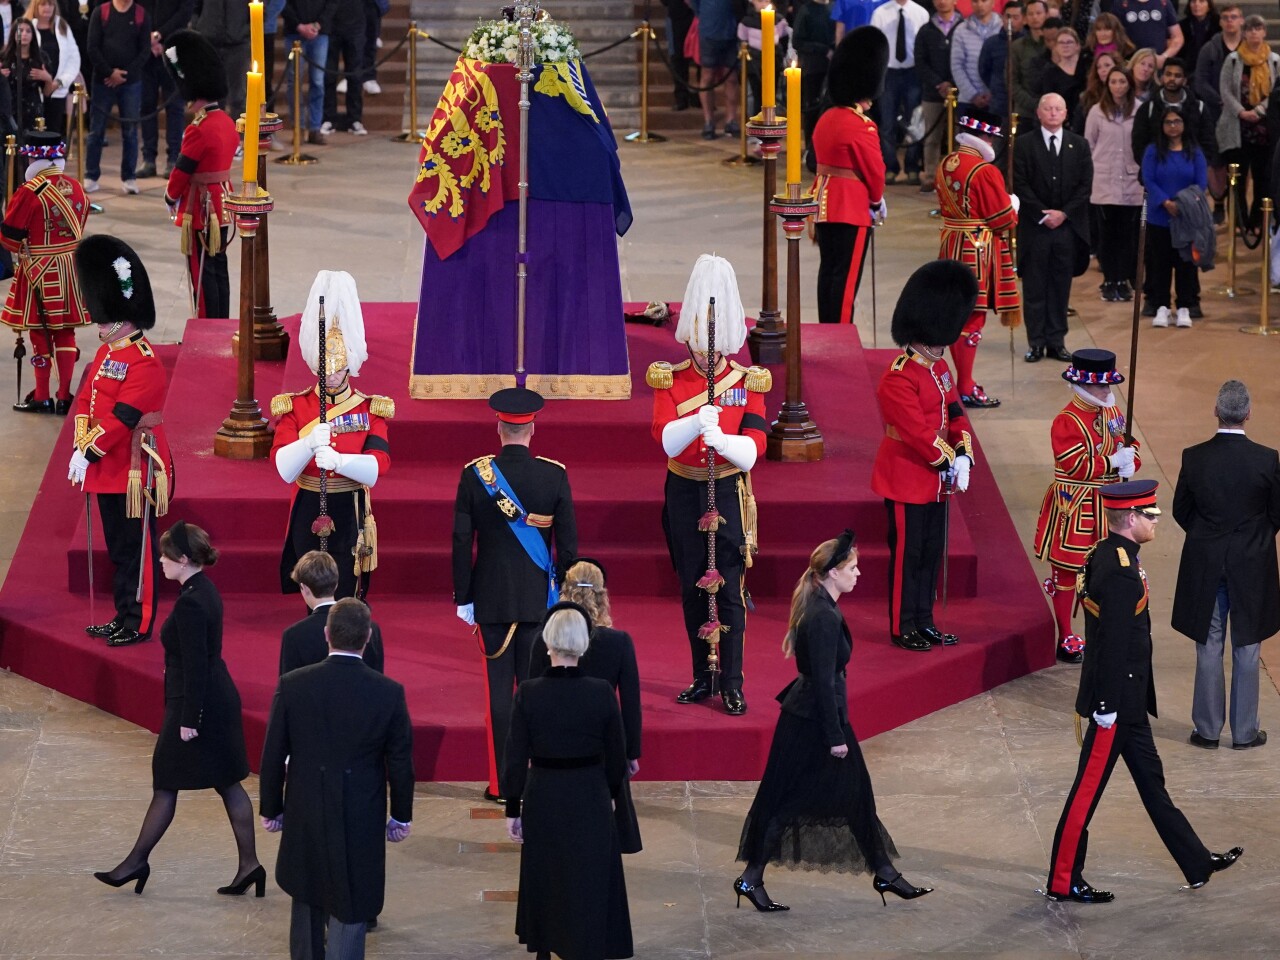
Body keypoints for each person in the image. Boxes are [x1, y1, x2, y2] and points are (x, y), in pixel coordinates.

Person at [1044, 479, 1243, 904]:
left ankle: (1195, 861)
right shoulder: (1119, 571)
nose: (1156, 522)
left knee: (1153, 785)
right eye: (1149, 516)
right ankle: (1063, 880)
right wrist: (1106, 708)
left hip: (1128, 702)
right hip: (1114, 705)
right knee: (1086, 793)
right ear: (1130, 519)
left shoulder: (1110, 553)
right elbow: (1113, 643)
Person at [736, 532, 931, 910]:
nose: (858, 574)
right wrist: (835, 735)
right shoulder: (823, 616)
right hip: (815, 721)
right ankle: (751, 878)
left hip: (815, 716)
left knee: (852, 796)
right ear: (832, 574)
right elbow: (824, 682)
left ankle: (884, 872)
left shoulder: (822, 605)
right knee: (789, 802)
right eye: (852, 568)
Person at [94, 521, 264, 900]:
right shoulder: (203, 589)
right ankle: (249, 866)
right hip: (214, 698)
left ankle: (137, 861)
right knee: (226, 781)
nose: (160, 561)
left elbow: (197, 666)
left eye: (165, 556)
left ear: (183, 559)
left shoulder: (190, 603)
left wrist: (190, 720)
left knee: (167, 780)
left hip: (196, 703)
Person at [260, 597, 414, 960]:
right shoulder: (388, 693)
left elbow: (272, 753)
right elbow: (401, 761)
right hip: (361, 809)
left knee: (306, 888)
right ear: (368, 639)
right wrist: (401, 815)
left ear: (326, 635)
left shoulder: (293, 684)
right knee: (352, 896)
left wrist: (272, 807)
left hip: (306, 805)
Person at [648, 254, 769, 712]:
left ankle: (733, 680)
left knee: (731, 589)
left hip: (730, 492)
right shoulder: (671, 379)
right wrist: (698, 422)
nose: (707, 354)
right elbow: (664, 438)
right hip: (685, 489)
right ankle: (703, 675)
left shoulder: (747, 381)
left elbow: (755, 448)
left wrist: (726, 439)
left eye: (712, 345)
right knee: (692, 587)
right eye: (700, 345)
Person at [453, 386, 577, 802]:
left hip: (489, 598)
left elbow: (460, 541)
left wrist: (463, 597)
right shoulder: (554, 475)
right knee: (533, 691)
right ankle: (535, 779)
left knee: (497, 692)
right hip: (539, 599)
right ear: (532, 429)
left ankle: (503, 785)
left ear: (499, 427)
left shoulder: (475, 475)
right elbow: (569, 547)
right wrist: (564, 593)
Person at [504, 604, 632, 960]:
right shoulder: (601, 691)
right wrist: (609, 793)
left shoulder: (528, 692)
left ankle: (545, 946)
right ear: (583, 645)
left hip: (544, 792)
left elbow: (515, 758)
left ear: (548, 643)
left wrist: (513, 808)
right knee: (587, 874)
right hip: (589, 792)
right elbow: (616, 755)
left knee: (546, 873)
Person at [70, 234, 173, 648]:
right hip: (106, 465)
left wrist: (87, 450)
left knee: (137, 549)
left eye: (103, 316)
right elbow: (85, 398)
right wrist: (80, 445)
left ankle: (139, 619)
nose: (97, 323)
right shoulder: (107, 353)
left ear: (123, 316)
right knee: (117, 548)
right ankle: (120, 614)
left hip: (132, 467)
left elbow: (122, 419)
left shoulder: (144, 361)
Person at [871, 259, 977, 653]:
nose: (941, 344)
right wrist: (950, 460)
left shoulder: (939, 367)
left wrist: (963, 452)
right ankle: (903, 624)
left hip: (937, 480)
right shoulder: (899, 375)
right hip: (907, 476)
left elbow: (954, 413)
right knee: (907, 555)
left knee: (930, 552)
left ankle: (924, 619)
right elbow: (916, 433)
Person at [271, 270, 391, 602]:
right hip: (309, 502)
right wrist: (308, 443)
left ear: (350, 365)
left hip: (349, 506)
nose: (331, 375)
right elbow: (283, 467)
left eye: (338, 368)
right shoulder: (294, 406)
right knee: (311, 587)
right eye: (326, 367)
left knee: (348, 589)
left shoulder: (370, 409)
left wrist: (340, 461)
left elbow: (378, 466)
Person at [1172, 380, 1279, 751]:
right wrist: (1254, 542)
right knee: (1248, 645)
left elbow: (1180, 511)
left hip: (1206, 562)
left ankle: (1207, 730)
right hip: (1251, 564)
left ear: (1216, 410)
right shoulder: (1267, 459)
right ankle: (1246, 733)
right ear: (1248, 413)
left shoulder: (1193, 456)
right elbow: (1276, 513)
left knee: (1208, 642)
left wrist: (1206, 537)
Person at [529, 559, 643, 855]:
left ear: (565, 591)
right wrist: (631, 752)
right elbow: (630, 703)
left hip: (553, 745)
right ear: (602, 595)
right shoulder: (619, 642)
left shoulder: (545, 640)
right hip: (604, 745)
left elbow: (529, 697)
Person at [1032, 350, 1139, 662]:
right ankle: (1065, 633)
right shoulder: (1067, 420)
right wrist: (1112, 461)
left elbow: (1127, 442)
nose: (1108, 392)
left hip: (1109, 505)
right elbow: (1074, 464)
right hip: (1076, 506)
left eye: (1108, 386)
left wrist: (1130, 459)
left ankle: (1103, 628)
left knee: (1109, 570)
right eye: (1102, 387)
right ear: (1083, 386)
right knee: (1066, 573)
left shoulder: (1111, 411)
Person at [1, 127, 88, 414]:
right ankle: (65, 395)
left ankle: (42, 395)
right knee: (66, 332)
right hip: (71, 268)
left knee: (40, 333)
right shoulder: (75, 186)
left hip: (39, 269)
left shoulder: (29, 192)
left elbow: (9, 239)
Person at [935, 110, 1019, 409]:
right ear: (986, 137)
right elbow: (1002, 220)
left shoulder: (947, 162)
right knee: (973, 318)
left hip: (951, 244)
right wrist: (1013, 205)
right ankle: (966, 385)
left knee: (957, 315)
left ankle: (962, 381)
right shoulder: (984, 170)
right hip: (977, 250)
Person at [812, 26, 888, 325]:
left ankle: (827, 328)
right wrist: (877, 200)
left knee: (828, 272)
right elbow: (875, 172)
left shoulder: (826, 117)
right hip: (851, 206)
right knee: (846, 281)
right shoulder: (861, 125)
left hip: (823, 203)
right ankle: (841, 334)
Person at [162, 29, 237, 320]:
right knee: (219, 268)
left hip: (202, 208)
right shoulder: (226, 121)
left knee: (202, 272)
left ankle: (206, 326)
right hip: (223, 205)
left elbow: (181, 172)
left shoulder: (199, 127)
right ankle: (221, 323)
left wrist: (170, 197)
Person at [1014, 92, 1092, 363]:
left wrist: (1064, 214)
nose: (1053, 113)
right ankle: (1035, 342)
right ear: (1038, 112)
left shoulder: (1079, 145)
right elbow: (1019, 183)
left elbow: (1085, 186)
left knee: (1061, 286)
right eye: (1047, 108)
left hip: (1066, 228)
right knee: (1035, 286)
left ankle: (1057, 341)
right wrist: (1042, 214)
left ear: (1066, 113)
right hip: (1036, 228)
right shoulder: (1024, 144)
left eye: (1058, 108)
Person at [1142, 105, 1207, 327]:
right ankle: (1161, 306)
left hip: (1186, 217)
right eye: (1168, 122)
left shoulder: (1194, 151)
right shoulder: (1153, 150)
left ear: (1184, 124)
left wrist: (1182, 203)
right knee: (1159, 263)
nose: (1173, 126)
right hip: (1159, 217)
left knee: (1185, 264)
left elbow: (1201, 182)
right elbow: (1148, 179)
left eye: (1177, 122)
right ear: (1162, 125)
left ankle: (1184, 307)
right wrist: (1165, 202)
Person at [1216, 15, 1278, 233]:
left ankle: (1257, 221)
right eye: (1250, 28)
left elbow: (1276, 92)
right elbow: (1225, 89)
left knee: (1263, 178)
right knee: (1237, 179)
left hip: (1263, 129)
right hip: (1237, 127)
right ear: (1244, 32)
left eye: (1258, 28)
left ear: (1264, 32)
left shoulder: (1275, 60)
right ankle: (1239, 222)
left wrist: (1259, 111)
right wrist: (1242, 111)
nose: (1253, 32)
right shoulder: (1233, 59)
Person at [83, 0, 152, 195]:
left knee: (130, 132)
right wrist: (109, 73)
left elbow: (144, 50)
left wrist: (125, 75)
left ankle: (129, 177)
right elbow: (92, 47)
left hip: (131, 83)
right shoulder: (101, 12)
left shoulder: (141, 14)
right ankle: (91, 175)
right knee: (96, 131)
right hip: (102, 81)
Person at [1086, 68, 1143, 301]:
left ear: (1129, 84)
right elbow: (1089, 145)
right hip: (1104, 180)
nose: (1118, 86)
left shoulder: (1139, 110)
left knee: (1128, 234)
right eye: (1113, 82)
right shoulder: (1096, 111)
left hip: (1131, 180)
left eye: (1122, 81)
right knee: (1107, 234)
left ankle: (1124, 279)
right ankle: (1110, 279)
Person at [280, 550, 384, 675]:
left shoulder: (294, 635)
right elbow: (377, 679)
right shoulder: (371, 628)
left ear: (304, 588)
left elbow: (288, 687)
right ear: (336, 584)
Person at [870, 0, 929, 184]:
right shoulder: (880, 12)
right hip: (889, 72)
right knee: (887, 122)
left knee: (914, 123)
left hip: (913, 71)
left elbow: (924, 44)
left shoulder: (920, 13)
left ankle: (912, 167)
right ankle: (890, 167)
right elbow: (875, 44)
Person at [1194, 3, 1241, 222]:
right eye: (1226, 18)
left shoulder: (1249, 48)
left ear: (1241, 20)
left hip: (1243, 117)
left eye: (1234, 17)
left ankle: (1240, 208)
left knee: (1241, 163)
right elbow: (1200, 81)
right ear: (1221, 22)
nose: (1230, 21)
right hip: (1216, 113)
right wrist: (1220, 100)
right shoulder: (1210, 48)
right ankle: (1219, 202)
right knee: (1217, 161)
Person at [135, 0, 191, 178]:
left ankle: (174, 158)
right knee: (146, 106)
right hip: (146, 50)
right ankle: (148, 158)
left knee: (174, 106)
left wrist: (161, 36)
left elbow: (185, 11)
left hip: (174, 49)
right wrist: (148, 39)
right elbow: (135, 11)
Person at [1131, 58, 1215, 172]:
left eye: (1177, 75)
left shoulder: (1199, 108)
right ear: (1161, 78)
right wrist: (1155, 167)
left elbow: (1208, 144)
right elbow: (1139, 145)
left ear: (1185, 80)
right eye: (1168, 74)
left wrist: (1193, 167)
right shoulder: (1147, 108)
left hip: (1190, 177)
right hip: (1157, 177)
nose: (1172, 79)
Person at [916, 0, 961, 193]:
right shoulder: (926, 30)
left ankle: (959, 176)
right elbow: (920, 61)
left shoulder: (963, 26)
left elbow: (966, 58)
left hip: (960, 91)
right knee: (932, 138)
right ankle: (930, 176)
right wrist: (938, 83)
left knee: (961, 136)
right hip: (932, 92)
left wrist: (952, 82)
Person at [282, 0, 338, 145]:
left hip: (320, 33)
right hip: (294, 33)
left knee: (318, 82)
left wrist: (317, 24)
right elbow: (282, 3)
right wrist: (298, 25)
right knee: (294, 83)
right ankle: (298, 128)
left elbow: (333, 3)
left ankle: (315, 128)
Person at [25, 0, 80, 139]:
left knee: (54, 133)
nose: (47, 8)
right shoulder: (27, 26)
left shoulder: (62, 26)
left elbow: (73, 59)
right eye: (43, 4)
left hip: (57, 91)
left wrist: (59, 82)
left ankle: (53, 161)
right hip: (32, 92)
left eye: (50, 5)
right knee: (32, 135)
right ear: (35, 6)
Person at [690, 0, 741, 140]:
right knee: (707, 76)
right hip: (709, 30)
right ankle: (708, 121)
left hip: (731, 30)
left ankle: (731, 120)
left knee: (731, 77)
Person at [737, 0, 790, 118]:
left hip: (773, 62)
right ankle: (756, 126)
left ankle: (769, 124)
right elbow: (742, 42)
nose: (764, 3)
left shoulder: (779, 20)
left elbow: (785, 39)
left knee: (771, 96)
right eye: (760, 1)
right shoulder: (746, 22)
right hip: (753, 64)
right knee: (757, 96)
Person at [320, 0, 366, 136]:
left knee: (355, 75)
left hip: (356, 24)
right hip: (330, 24)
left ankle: (355, 119)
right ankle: (328, 118)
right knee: (328, 74)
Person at [2, 17, 52, 133]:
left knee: (31, 149)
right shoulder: (4, 58)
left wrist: (48, 79)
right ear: (13, 34)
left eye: (28, 31)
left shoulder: (41, 58)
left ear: (33, 35)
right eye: (20, 30)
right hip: (7, 113)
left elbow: (47, 93)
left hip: (33, 113)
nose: (24, 34)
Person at [950, 0, 999, 117]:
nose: (980, 5)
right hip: (968, 100)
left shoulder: (1003, 28)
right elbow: (957, 65)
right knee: (968, 136)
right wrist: (973, 95)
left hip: (997, 100)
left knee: (993, 135)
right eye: (975, 1)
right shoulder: (961, 30)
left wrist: (993, 92)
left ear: (993, 3)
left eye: (984, 1)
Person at [1110, 0, 1182, 67]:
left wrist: (1164, 57)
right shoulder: (1120, 4)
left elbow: (1177, 37)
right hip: (1130, 64)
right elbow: (1112, 37)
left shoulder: (1164, 2)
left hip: (1157, 63)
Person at [1038, 26, 1088, 119]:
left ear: (1077, 45)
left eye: (1069, 42)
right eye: (1061, 42)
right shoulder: (1050, 73)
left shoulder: (1087, 67)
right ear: (1056, 47)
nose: (1065, 45)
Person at [1072, 49, 1118, 132]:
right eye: (1099, 67)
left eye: (1107, 65)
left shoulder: (1128, 94)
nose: (1103, 70)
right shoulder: (1088, 98)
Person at [1179, 0, 1219, 82]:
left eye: (1201, 1)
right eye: (1193, 1)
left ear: (1209, 6)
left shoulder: (1219, 24)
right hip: (1188, 70)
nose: (1196, 5)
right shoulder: (1182, 26)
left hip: (1212, 69)